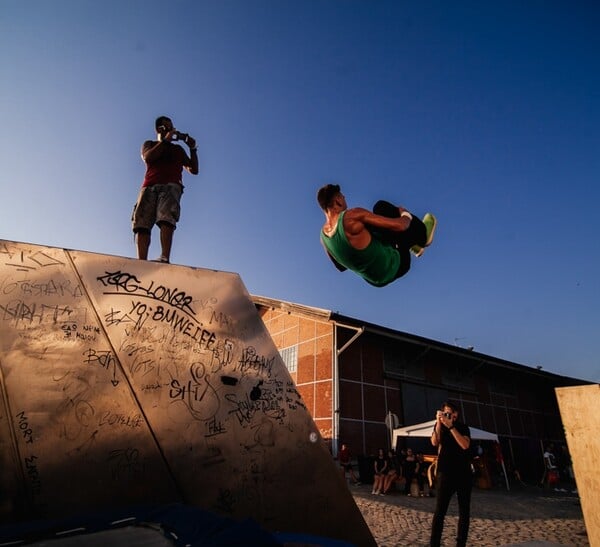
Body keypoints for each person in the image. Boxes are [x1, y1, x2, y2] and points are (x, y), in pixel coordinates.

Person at [316, 183, 436, 287]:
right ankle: (423, 236)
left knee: (365, 228)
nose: (344, 197)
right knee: (380, 207)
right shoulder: (352, 216)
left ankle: (412, 244)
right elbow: (401, 225)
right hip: (398, 264)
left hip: (376, 281)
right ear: (338, 200)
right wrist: (405, 214)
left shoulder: (323, 237)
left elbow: (341, 267)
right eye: (342, 196)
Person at [132, 115, 199, 263]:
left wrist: (193, 148)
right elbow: (148, 158)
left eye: (172, 127)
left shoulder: (177, 149)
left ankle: (164, 257)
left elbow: (194, 169)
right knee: (142, 223)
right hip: (149, 186)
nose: (171, 129)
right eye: (167, 127)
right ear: (158, 129)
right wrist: (164, 140)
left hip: (171, 185)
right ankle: (141, 261)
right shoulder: (149, 144)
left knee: (166, 218)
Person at [430, 401, 472, 547]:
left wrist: (451, 427)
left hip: (463, 474)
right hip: (445, 473)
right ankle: (434, 544)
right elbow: (434, 442)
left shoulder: (462, 427)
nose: (448, 415)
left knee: (464, 511)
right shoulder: (440, 427)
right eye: (445, 413)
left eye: (450, 413)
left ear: (456, 414)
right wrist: (438, 422)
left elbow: (465, 445)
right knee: (439, 511)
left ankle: (461, 543)